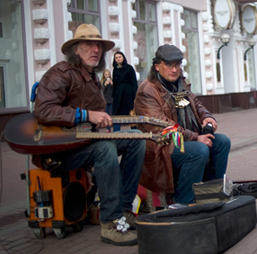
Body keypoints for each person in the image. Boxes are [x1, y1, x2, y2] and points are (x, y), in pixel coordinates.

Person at [33, 24, 145, 246]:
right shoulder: (60, 73)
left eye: (98, 46)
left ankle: (123, 210)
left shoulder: (94, 79)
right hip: (60, 150)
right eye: (88, 44)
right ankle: (110, 223)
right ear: (75, 49)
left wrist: (102, 125)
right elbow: (43, 110)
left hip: (85, 142)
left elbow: (96, 120)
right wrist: (85, 115)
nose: (95, 49)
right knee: (106, 148)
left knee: (136, 138)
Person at [134, 44, 231, 206]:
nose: (174, 69)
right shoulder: (147, 90)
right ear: (157, 66)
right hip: (161, 146)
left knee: (222, 142)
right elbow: (162, 125)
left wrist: (207, 117)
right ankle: (183, 201)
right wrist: (195, 137)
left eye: (178, 64)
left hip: (181, 140)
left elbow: (196, 105)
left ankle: (210, 192)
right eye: (169, 65)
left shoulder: (178, 86)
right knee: (199, 149)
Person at [112, 51, 138, 131]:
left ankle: (134, 131)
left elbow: (134, 82)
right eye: (116, 58)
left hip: (128, 95)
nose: (118, 59)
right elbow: (115, 84)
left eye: (119, 57)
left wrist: (135, 96)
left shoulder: (129, 68)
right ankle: (116, 133)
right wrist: (113, 95)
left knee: (131, 114)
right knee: (117, 114)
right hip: (118, 95)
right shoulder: (115, 70)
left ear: (123, 58)